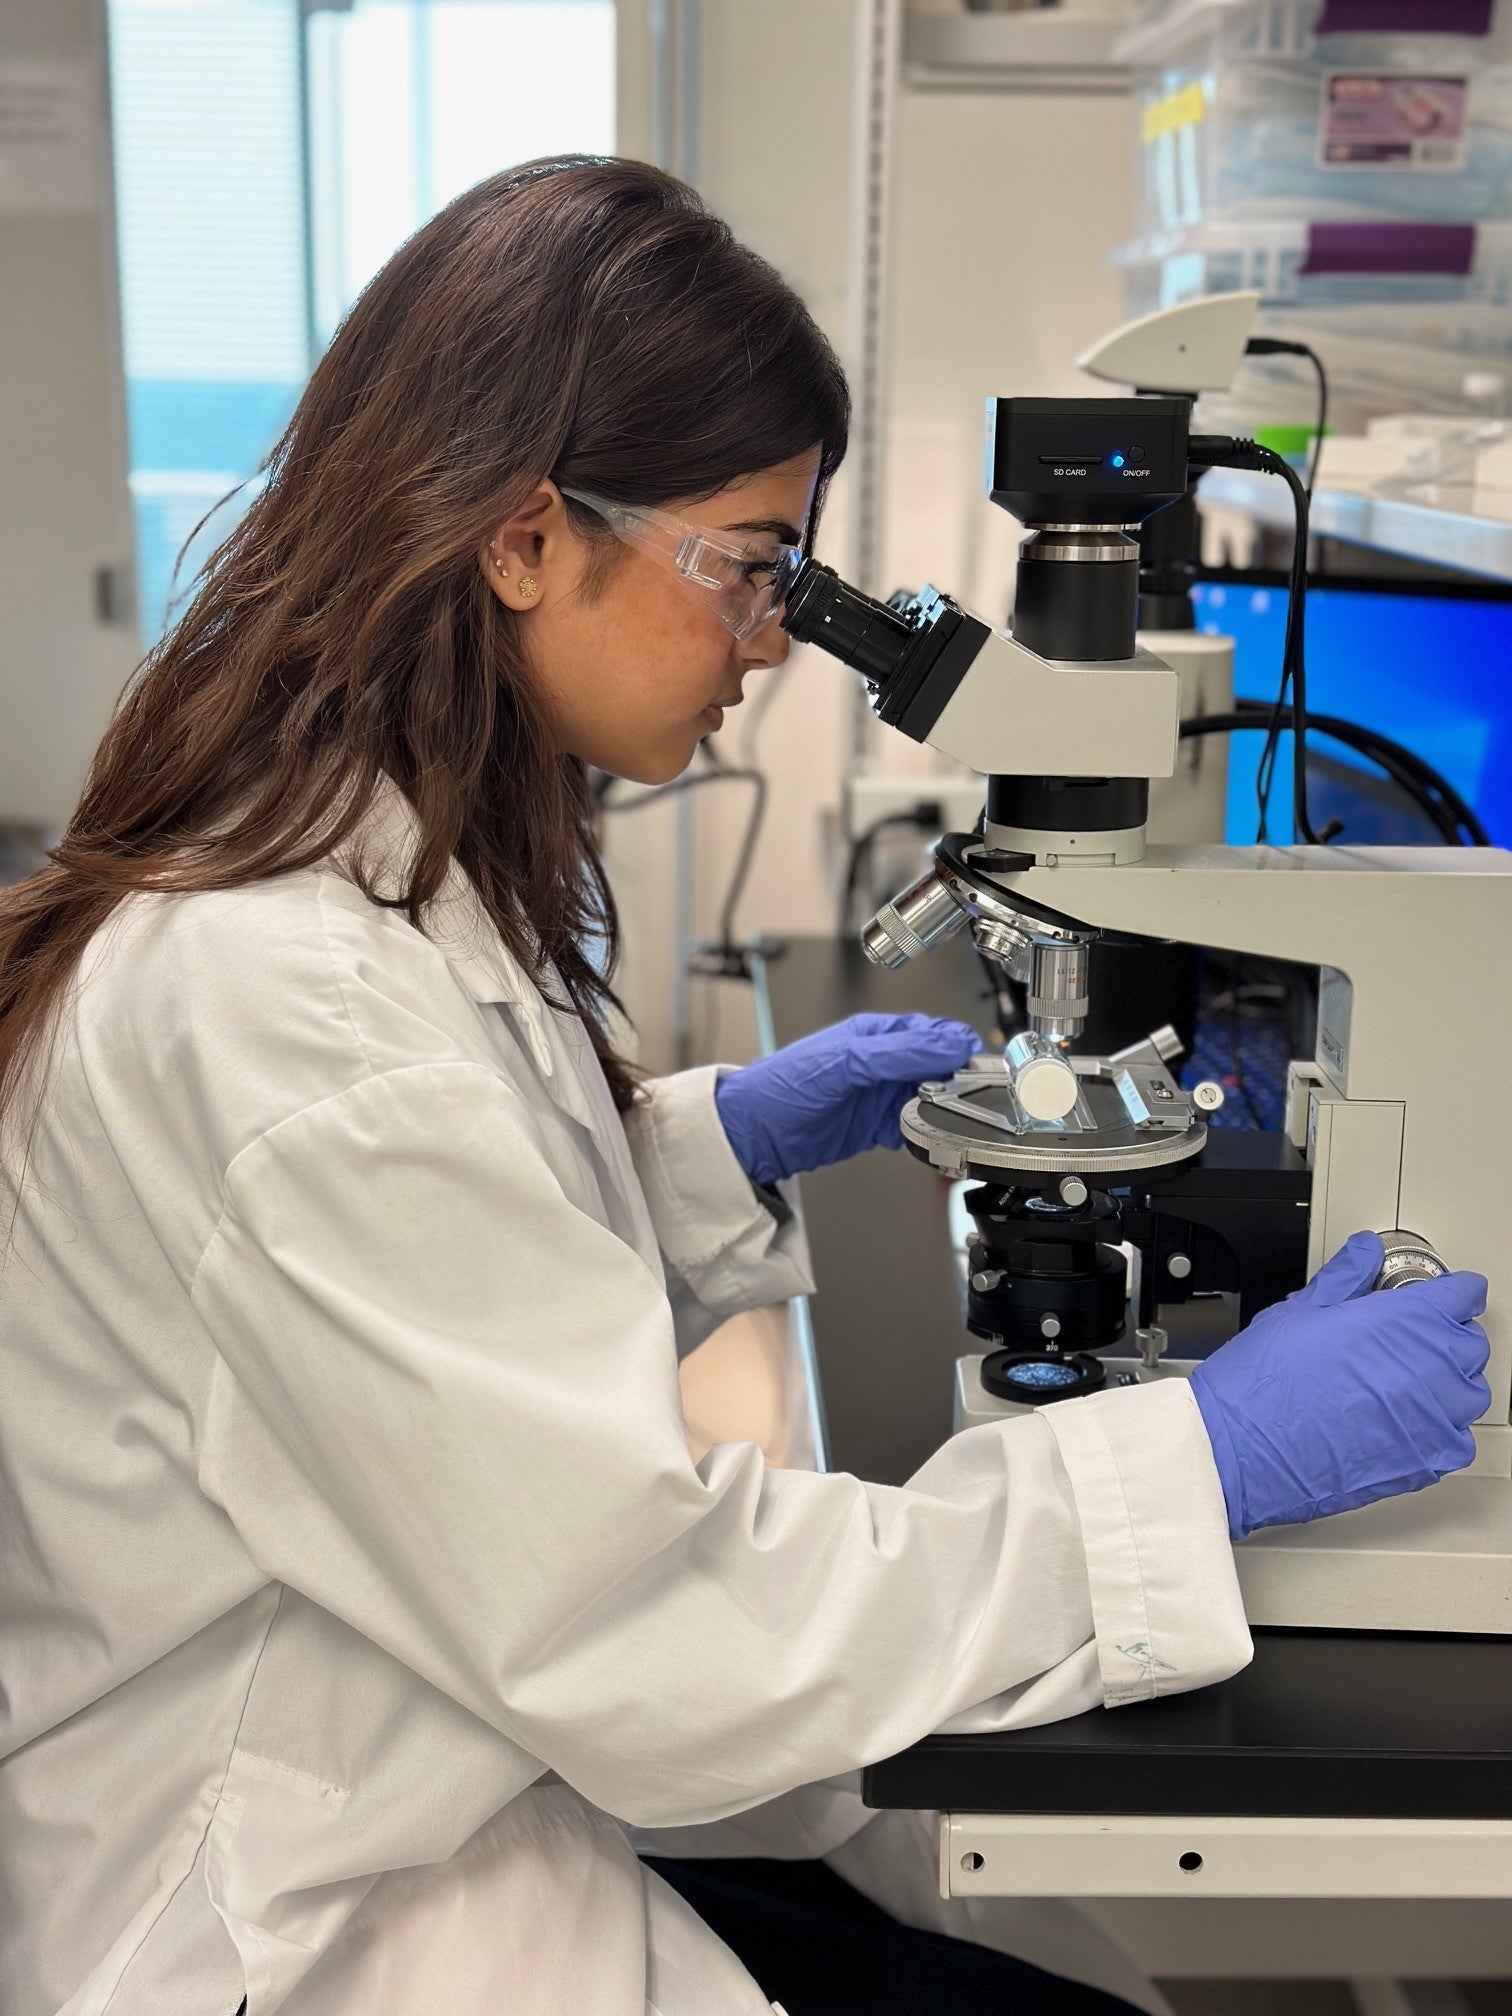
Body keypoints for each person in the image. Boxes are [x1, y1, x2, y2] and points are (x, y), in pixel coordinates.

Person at [0, 157, 1489, 2016]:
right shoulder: (298, 1020)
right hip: (288, 1927)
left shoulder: (344, 871)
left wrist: (698, 1147)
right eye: (750, 566)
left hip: (420, 1779)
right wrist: (1203, 1456)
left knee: (1018, 1962)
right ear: (525, 538)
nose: (778, 637)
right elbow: (662, 1631)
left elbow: (415, 1308)